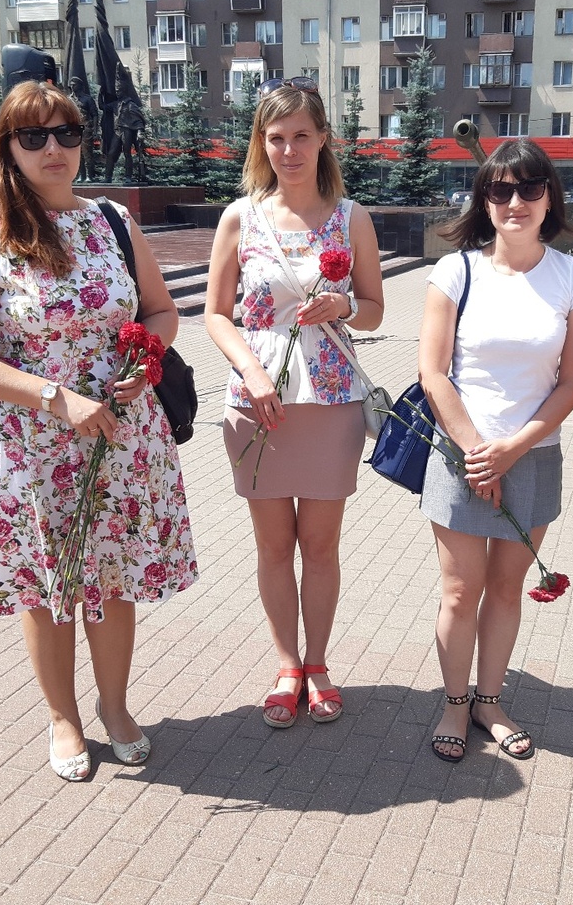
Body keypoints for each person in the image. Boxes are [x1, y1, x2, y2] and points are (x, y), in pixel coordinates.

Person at [0, 79, 197, 782]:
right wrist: (57, 400)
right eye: (34, 136)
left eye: (67, 133)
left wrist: (144, 361)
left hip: (118, 434)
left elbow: (161, 311)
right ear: (9, 147)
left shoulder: (113, 221)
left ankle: (114, 706)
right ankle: (63, 717)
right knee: (49, 584)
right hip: (30, 444)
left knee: (111, 579)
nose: (53, 148)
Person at [203, 76, 383, 728]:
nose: (289, 150)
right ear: (262, 143)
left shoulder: (351, 217)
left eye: (301, 136)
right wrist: (251, 371)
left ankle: (319, 664)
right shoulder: (240, 217)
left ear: (324, 138)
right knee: (275, 547)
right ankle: (286, 665)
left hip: (331, 402)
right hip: (260, 403)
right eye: (275, 138)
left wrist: (345, 305)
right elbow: (214, 314)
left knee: (322, 546)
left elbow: (375, 309)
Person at [421, 139, 573, 763]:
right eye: (500, 190)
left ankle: (489, 701)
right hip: (459, 454)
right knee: (459, 590)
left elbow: (572, 383)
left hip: (534, 454)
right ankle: (454, 702)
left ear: (550, 198)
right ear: (484, 200)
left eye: (529, 188)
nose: (515, 202)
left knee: (505, 588)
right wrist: (477, 451)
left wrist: (512, 450)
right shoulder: (456, 271)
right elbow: (433, 372)